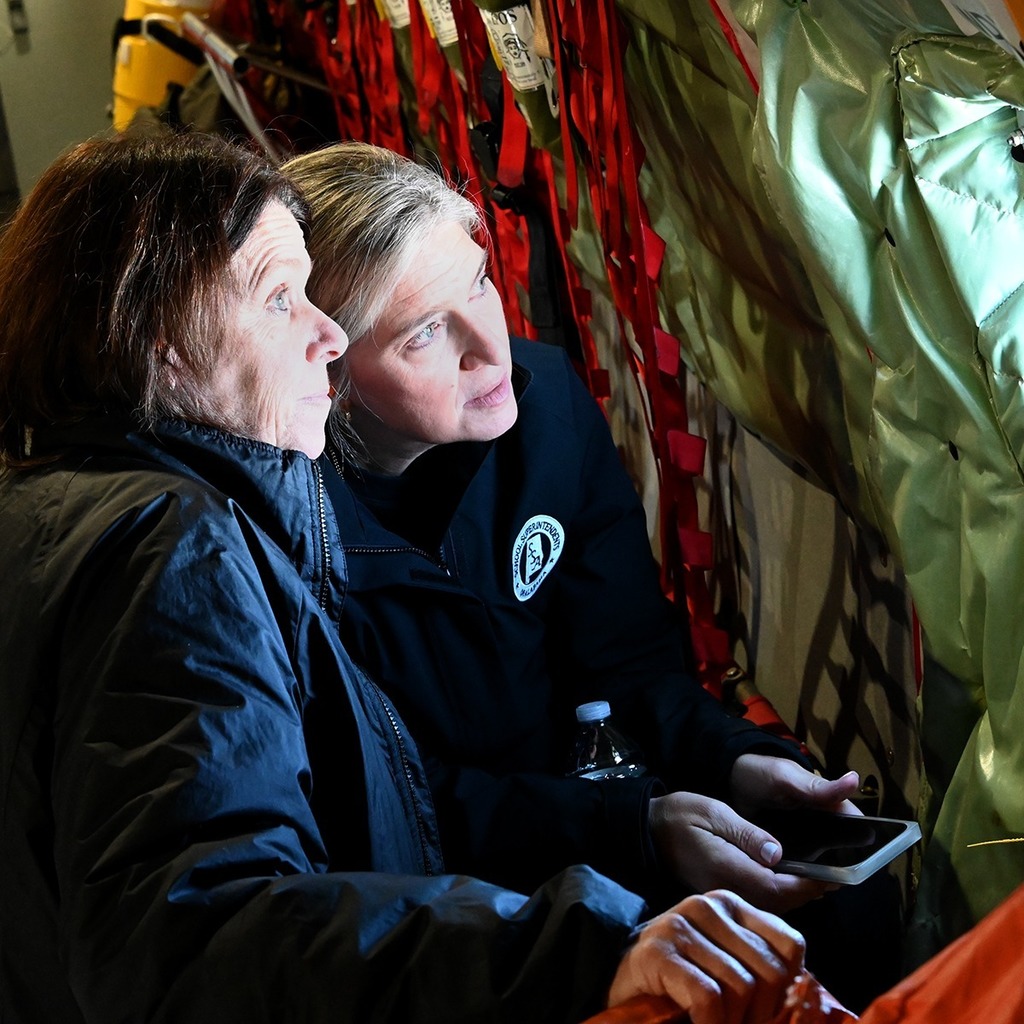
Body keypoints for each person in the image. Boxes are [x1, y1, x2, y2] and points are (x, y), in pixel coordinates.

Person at [0, 129, 812, 1024]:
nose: (323, 336)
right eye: (281, 301)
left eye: (480, 283)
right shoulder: (189, 538)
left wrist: (728, 763)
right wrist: (580, 940)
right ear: (164, 350)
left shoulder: (63, 496)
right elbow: (200, 937)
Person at [280, 141, 862, 915]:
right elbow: (384, 802)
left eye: (481, 283)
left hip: (605, 827)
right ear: (331, 375)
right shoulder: (281, 533)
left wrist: (737, 762)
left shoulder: (544, 405)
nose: (491, 350)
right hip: (435, 909)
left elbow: (628, 667)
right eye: (424, 332)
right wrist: (635, 826)